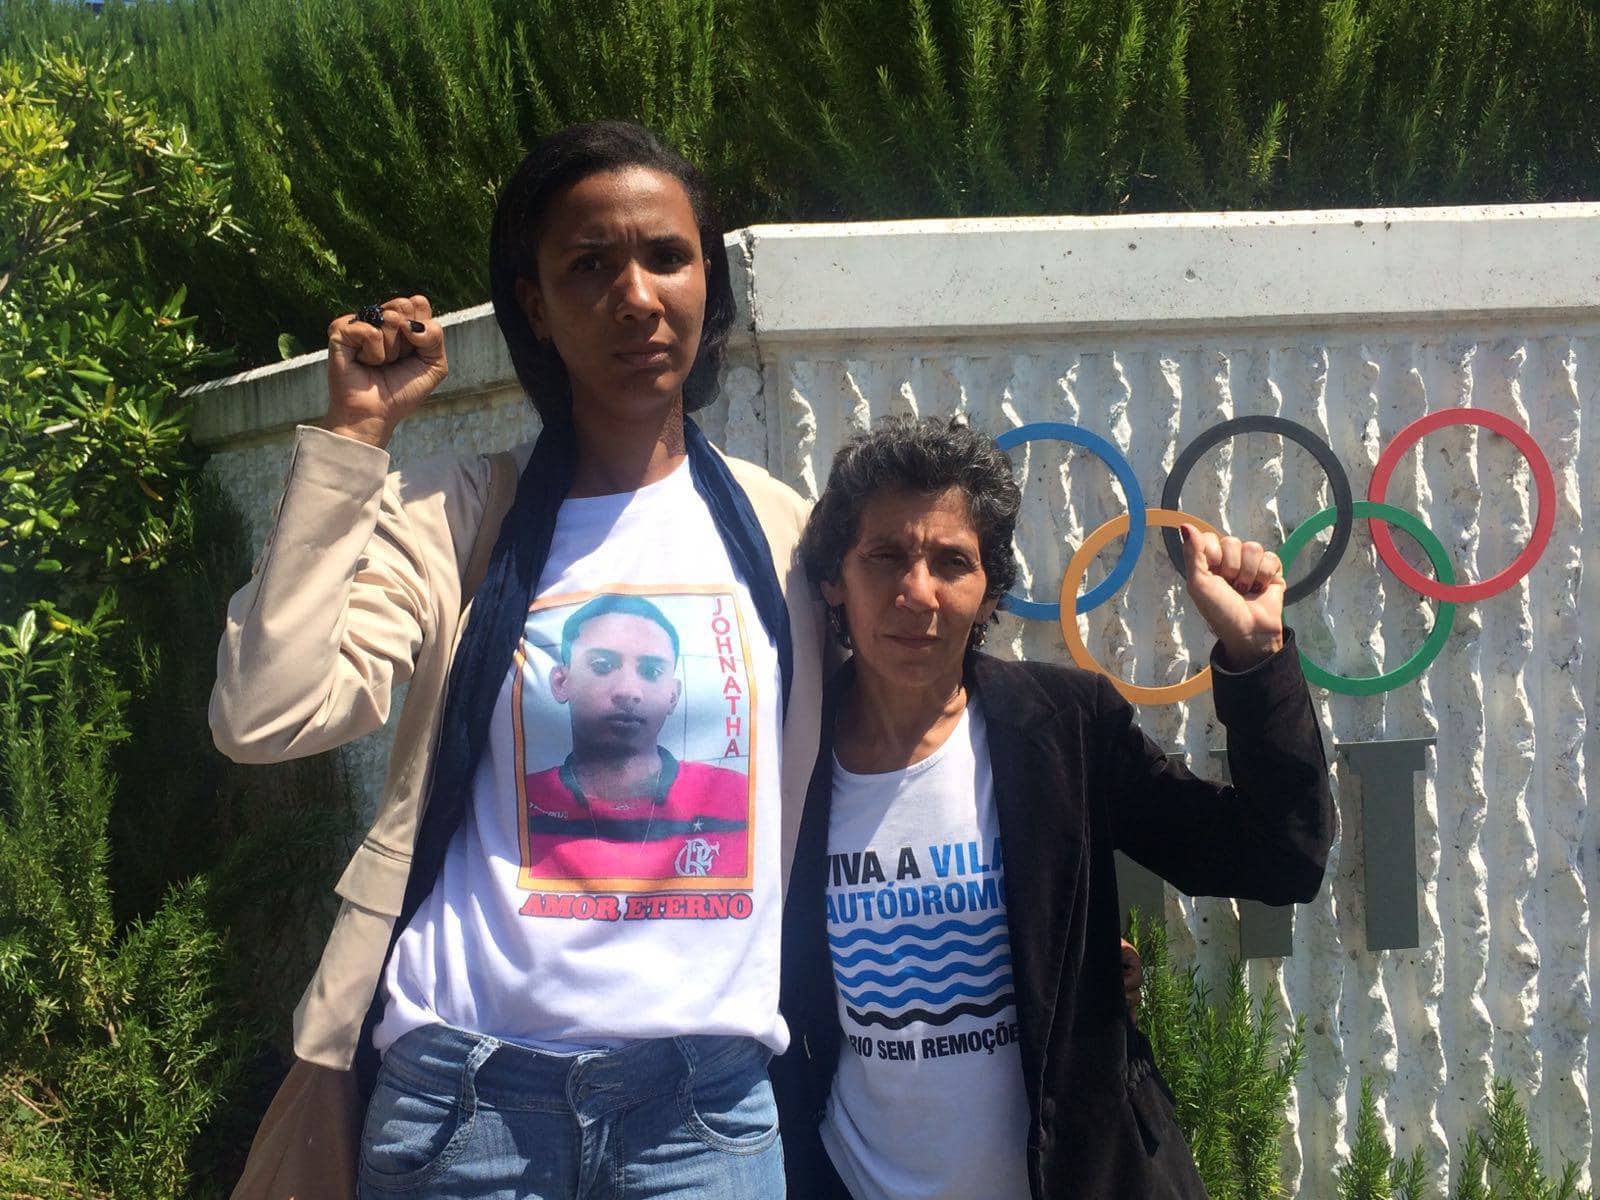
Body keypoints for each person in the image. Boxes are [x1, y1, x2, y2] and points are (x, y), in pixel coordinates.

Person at [212, 120, 824, 1199]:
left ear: (705, 279)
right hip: (465, 1113)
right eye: (589, 266)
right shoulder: (459, 516)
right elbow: (266, 713)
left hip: (705, 1122)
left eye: (665, 257)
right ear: (534, 306)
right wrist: (356, 440)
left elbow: (905, 731)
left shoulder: (780, 535)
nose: (635, 295)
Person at [771, 416, 1334, 1200]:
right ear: (836, 577)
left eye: (951, 562)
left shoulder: (1065, 727)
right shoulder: (783, 752)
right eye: (886, 556)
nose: (917, 592)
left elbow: (1279, 855)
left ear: (988, 590)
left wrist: (1257, 659)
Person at [524, 592, 751, 884]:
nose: (629, 691)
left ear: (673, 694)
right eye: (603, 666)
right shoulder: (521, 800)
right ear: (561, 682)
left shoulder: (735, 797)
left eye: (651, 671)